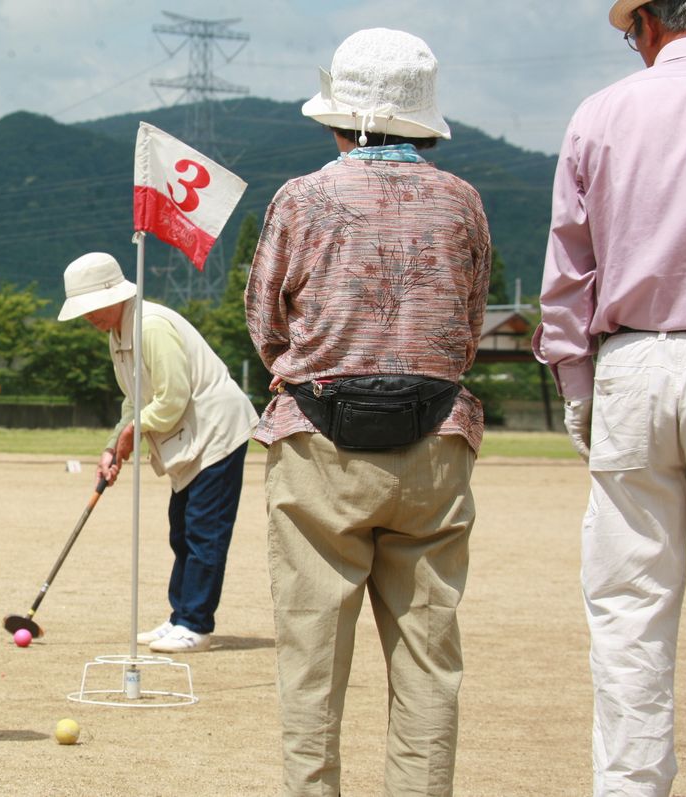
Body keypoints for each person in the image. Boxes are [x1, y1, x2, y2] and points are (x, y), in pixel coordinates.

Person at [245, 28, 492, 796]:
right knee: (428, 657)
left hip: (319, 443)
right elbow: (470, 324)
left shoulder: (303, 196)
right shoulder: (463, 201)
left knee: (311, 656)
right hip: (435, 445)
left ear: (336, 118)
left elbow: (266, 322)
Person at [533, 1, 686, 792]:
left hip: (634, 361)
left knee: (627, 608)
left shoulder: (600, 113)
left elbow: (568, 272)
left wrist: (578, 385)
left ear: (646, 24)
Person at [58, 252, 257, 653]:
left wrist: (135, 430)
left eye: (93, 305)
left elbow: (173, 396)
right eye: (83, 309)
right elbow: (134, 401)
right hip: (188, 437)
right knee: (181, 528)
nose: (88, 316)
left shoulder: (151, 325)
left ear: (115, 294)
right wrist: (115, 445)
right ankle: (179, 616)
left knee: (204, 530)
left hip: (216, 433)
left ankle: (196, 625)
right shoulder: (118, 335)